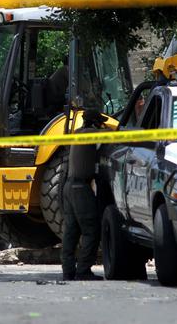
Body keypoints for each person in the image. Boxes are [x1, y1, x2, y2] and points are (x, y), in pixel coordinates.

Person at [61, 109, 107, 281]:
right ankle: (83, 271)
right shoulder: (90, 133)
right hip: (80, 188)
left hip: (69, 187)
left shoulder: (78, 133)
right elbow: (111, 135)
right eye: (100, 122)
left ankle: (68, 271)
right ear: (95, 122)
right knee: (91, 230)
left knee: (71, 232)